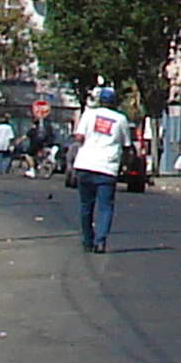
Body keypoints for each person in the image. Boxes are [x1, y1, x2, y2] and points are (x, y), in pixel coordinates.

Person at [73, 87, 132, 254]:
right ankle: (100, 241)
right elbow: (126, 144)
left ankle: (87, 240)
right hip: (107, 167)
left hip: (85, 164)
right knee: (105, 207)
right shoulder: (121, 119)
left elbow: (79, 136)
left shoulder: (89, 114)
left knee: (86, 206)